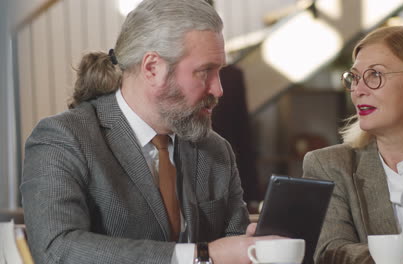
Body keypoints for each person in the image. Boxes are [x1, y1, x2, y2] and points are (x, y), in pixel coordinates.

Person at [20, 0, 277, 263]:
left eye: (219, 71)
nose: (218, 90)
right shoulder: (63, 139)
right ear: (153, 68)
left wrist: (254, 246)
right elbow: (57, 250)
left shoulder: (215, 150)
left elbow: (234, 244)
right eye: (204, 72)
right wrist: (203, 255)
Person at [303, 26, 403, 264]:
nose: (358, 90)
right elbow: (332, 254)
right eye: (355, 77)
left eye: (375, 75)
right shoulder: (328, 165)